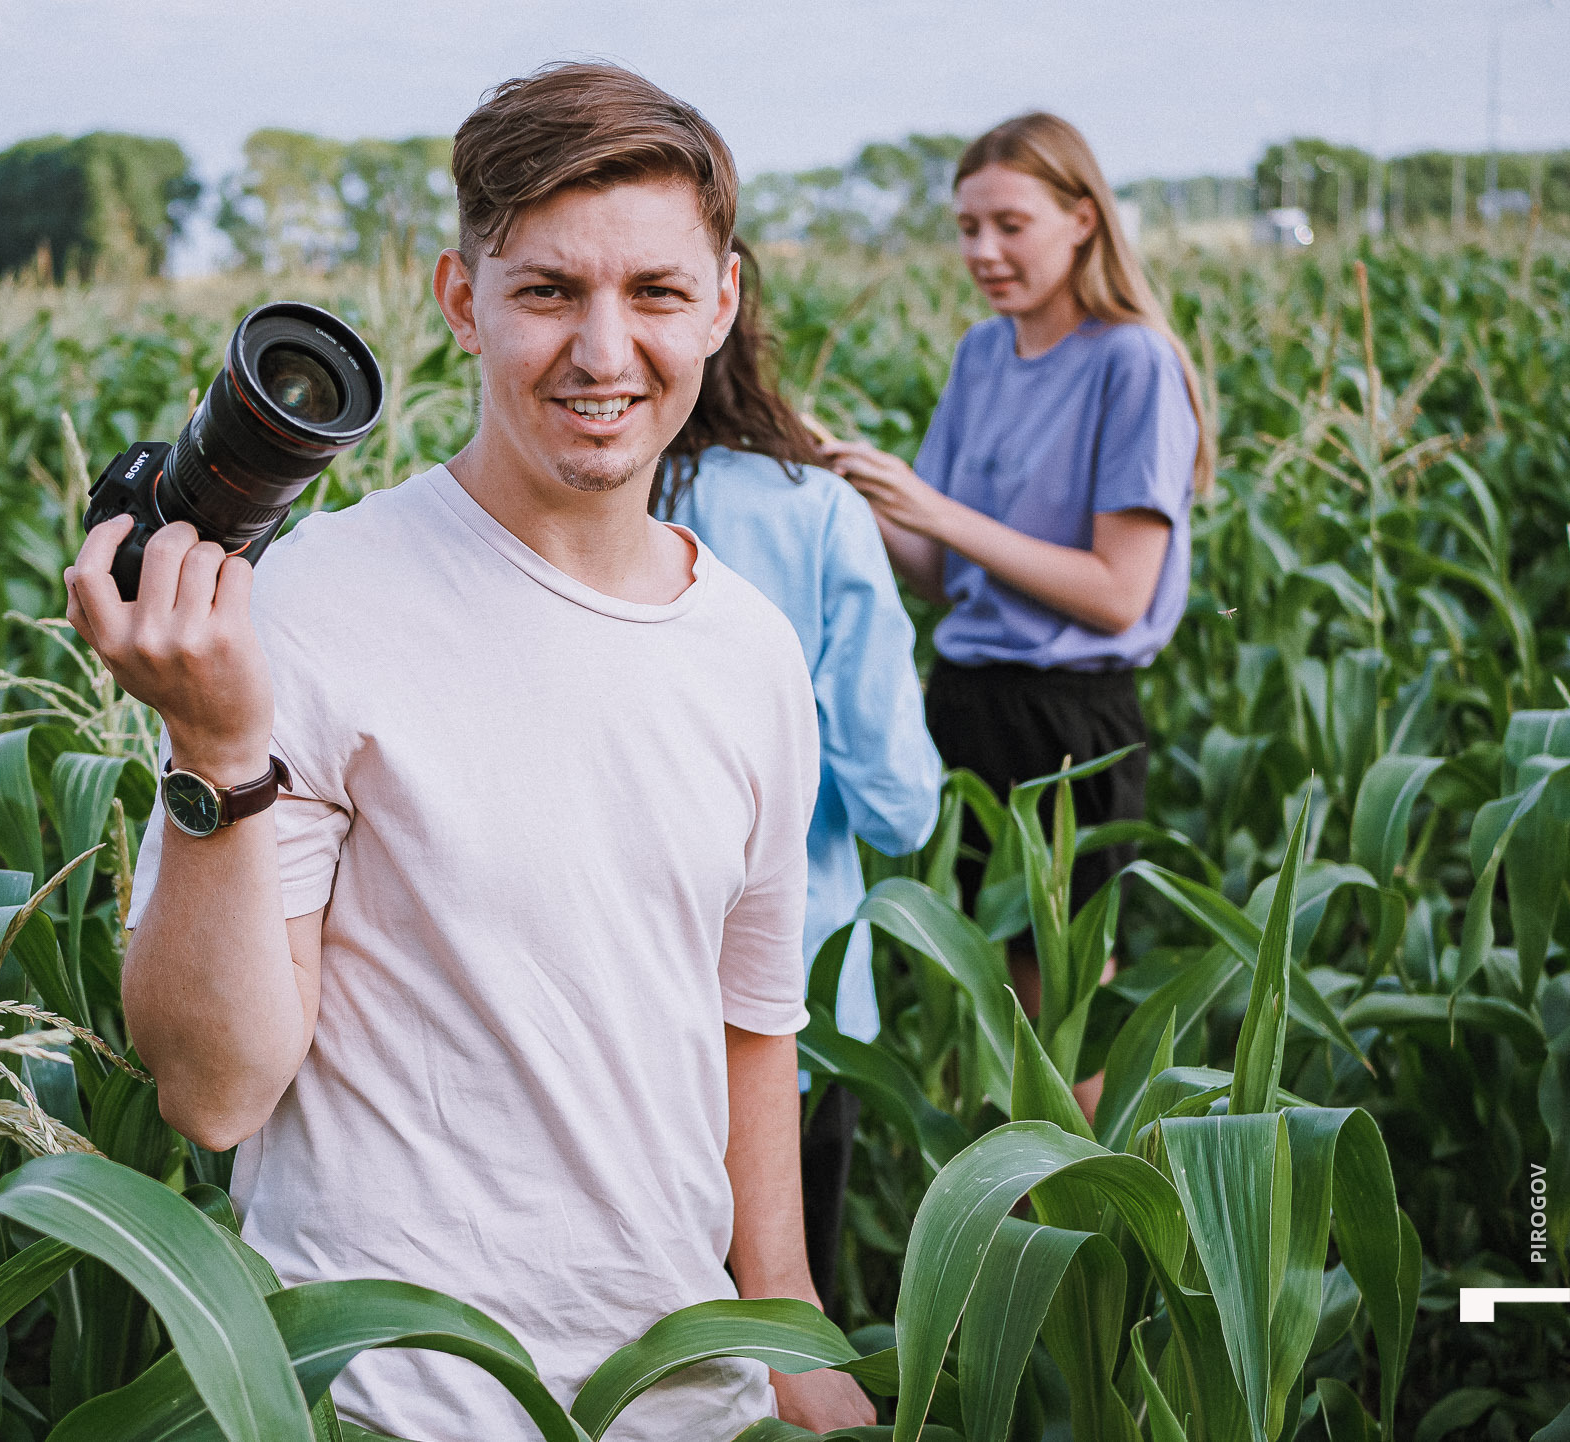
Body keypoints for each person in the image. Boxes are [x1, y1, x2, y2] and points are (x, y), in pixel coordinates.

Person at [65, 62, 875, 1439]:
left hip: (686, 1395)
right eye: (550, 291)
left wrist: (791, 1335)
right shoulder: (320, 601)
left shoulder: (750, 648)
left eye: (658, 294)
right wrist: (212, 746)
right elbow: (213, 1090)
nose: (605, 351)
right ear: (463, 300)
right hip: (392, 1391)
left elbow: (752, 1023)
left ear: (723, 304)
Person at [817, 112, 1210, 1122]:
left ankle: (1094, 1256)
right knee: (981, 1015)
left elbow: (1119, 589)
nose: (982, 253)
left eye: (1009, 225)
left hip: (1069, 730)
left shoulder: (1134, 363)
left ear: (1082, 219)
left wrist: (939, 508)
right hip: (967, 706)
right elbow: (947, 574)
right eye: (965, 228)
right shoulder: (983, 356)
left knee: (1058, 1025)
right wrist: (846, 491)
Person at [651, 237, 942, 1313]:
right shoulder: (813, 512)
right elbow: (901, 802)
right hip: (800, 1005)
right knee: (777, 1324)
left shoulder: (549, 509)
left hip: (601, 1022)